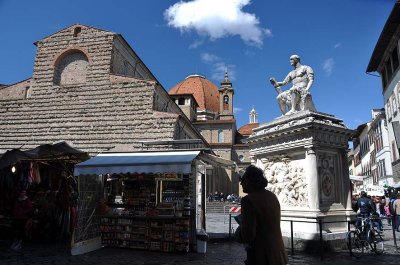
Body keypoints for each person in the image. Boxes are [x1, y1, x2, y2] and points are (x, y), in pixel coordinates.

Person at [235, 165, 288, 265]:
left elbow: (248, 235)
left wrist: (238, 232)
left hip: (261, 256)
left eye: (243, 179)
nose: (241, 183)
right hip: (278, 254)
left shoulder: (248, 200)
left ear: (251, 180)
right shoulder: (271, 196)